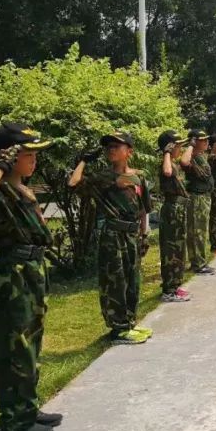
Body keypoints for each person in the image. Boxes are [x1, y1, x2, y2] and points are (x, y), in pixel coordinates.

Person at [0, 123, 61, 431]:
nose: (34, 159)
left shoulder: (22, 187)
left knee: (31, 343)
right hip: (13, 275)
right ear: (7, 157)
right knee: (13, 347)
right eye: (27, 153)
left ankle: (28, 408)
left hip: (32, 268)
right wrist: (0, 168)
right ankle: (13, 421)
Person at [69, 130, 153, 345]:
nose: (111, 150)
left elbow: (144, 208)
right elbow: (73, 184)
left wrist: (145, 233)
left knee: (133, 280)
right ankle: (118, 328)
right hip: (113, 234)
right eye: (108, 147)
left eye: (117, 146)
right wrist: (84, 161)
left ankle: (129, 322)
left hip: (132, 234)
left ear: (129, 151)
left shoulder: (139, 176)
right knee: (114, 280)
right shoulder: (103, 178)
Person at [156, 130, 192, 302]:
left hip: (178, 209)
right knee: (171, 249)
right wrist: (167, 153)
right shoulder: (166, 163)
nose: (180, 148)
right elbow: (168, 173)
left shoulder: (173, 163)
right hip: (171, 210)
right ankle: (168, 290)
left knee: (178, 248)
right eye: (178, 145)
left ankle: (175, 285)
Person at [183, 129, 216, 275]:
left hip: (203, 196)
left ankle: (199, 261)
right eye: (203, 140)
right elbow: (184, 162)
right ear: (195, 142)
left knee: (200, 230)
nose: (206, 142)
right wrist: (190, 145)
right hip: (197, 197)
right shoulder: (192, 157)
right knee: (197, 231)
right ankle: (198, 263)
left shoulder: (200, 156)